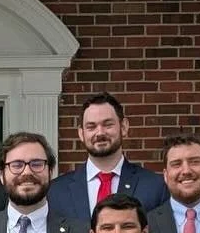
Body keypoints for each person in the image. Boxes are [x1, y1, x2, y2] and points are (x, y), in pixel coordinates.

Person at [46, 93, 168, 222]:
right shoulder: (56, 191)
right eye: (91, 127)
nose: (100, 133)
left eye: (108, 124)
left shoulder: (155, 187)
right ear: (81, 133)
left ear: (124, 127)